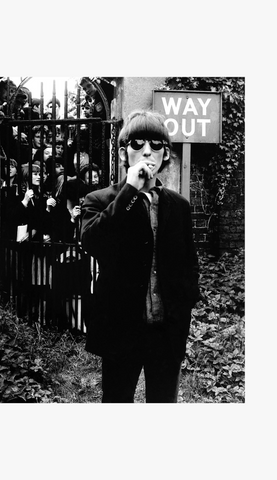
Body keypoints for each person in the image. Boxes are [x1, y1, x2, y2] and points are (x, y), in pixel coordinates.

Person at [81, 110, 200, 403]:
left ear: (166, 154)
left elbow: (189, 264)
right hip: (122, 331)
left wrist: (183, 312)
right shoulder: (100, 200)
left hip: (166, 333)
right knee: (117, 401)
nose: (147, 151)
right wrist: (131, 190)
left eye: (156, 144)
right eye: (137, 144)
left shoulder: (179, 206)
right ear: (124, 152)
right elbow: (92, 242)